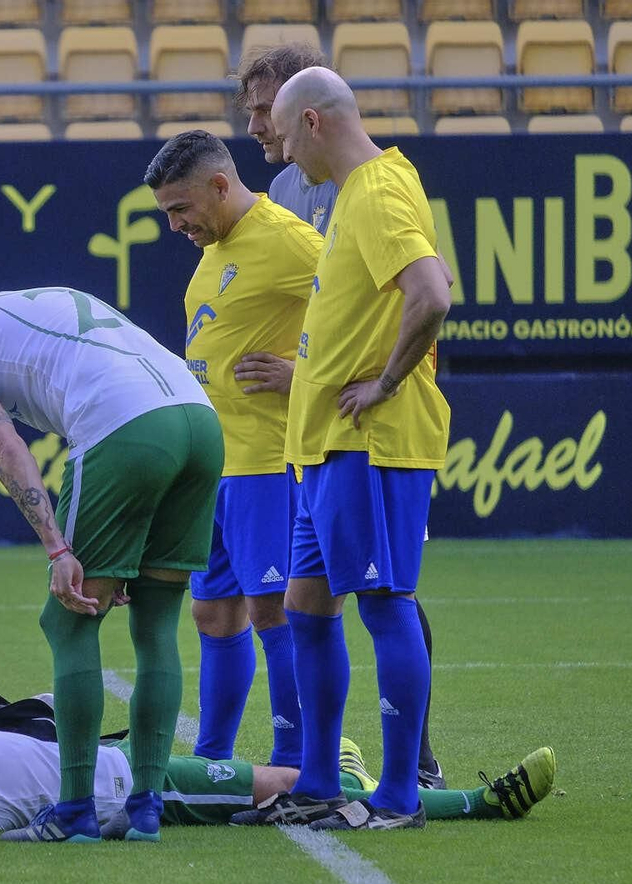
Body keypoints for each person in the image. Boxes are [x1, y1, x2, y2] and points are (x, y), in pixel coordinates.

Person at [0, 281, 222, 843]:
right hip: (200, 422)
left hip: (124, 426)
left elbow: (5, 447)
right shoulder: (28, 305)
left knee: (69, 616)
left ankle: (76, 810)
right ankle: (145, 809)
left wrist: (58, 549)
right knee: (155, 621)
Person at [232, 67, 454, 831]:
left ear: (316, 123)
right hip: (324, 447)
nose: (283, 151)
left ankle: (398, 795)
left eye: (286, 135)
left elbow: (433, 292)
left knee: (385, 606)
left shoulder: (380, 189)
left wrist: (387, 382)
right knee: (306, 609)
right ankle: (321, 781)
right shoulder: (360, 194)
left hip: (369, 442)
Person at [144, 130, 321, 771]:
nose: (175, 224)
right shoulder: (217, 244)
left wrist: (303, 377)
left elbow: (388, 309)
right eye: (167, 212)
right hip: (213, 470)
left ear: (221, 185)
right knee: (214, 614)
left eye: (181, 208)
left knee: (274, 608)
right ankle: (212, 760)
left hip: (267, 467)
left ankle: (296, 762)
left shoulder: (290, 240)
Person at [0, 731, 556, 841]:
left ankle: (351, 774)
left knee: (300, 777)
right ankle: (477, 802)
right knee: (313, 789)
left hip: (121, 760)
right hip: (140, 789)